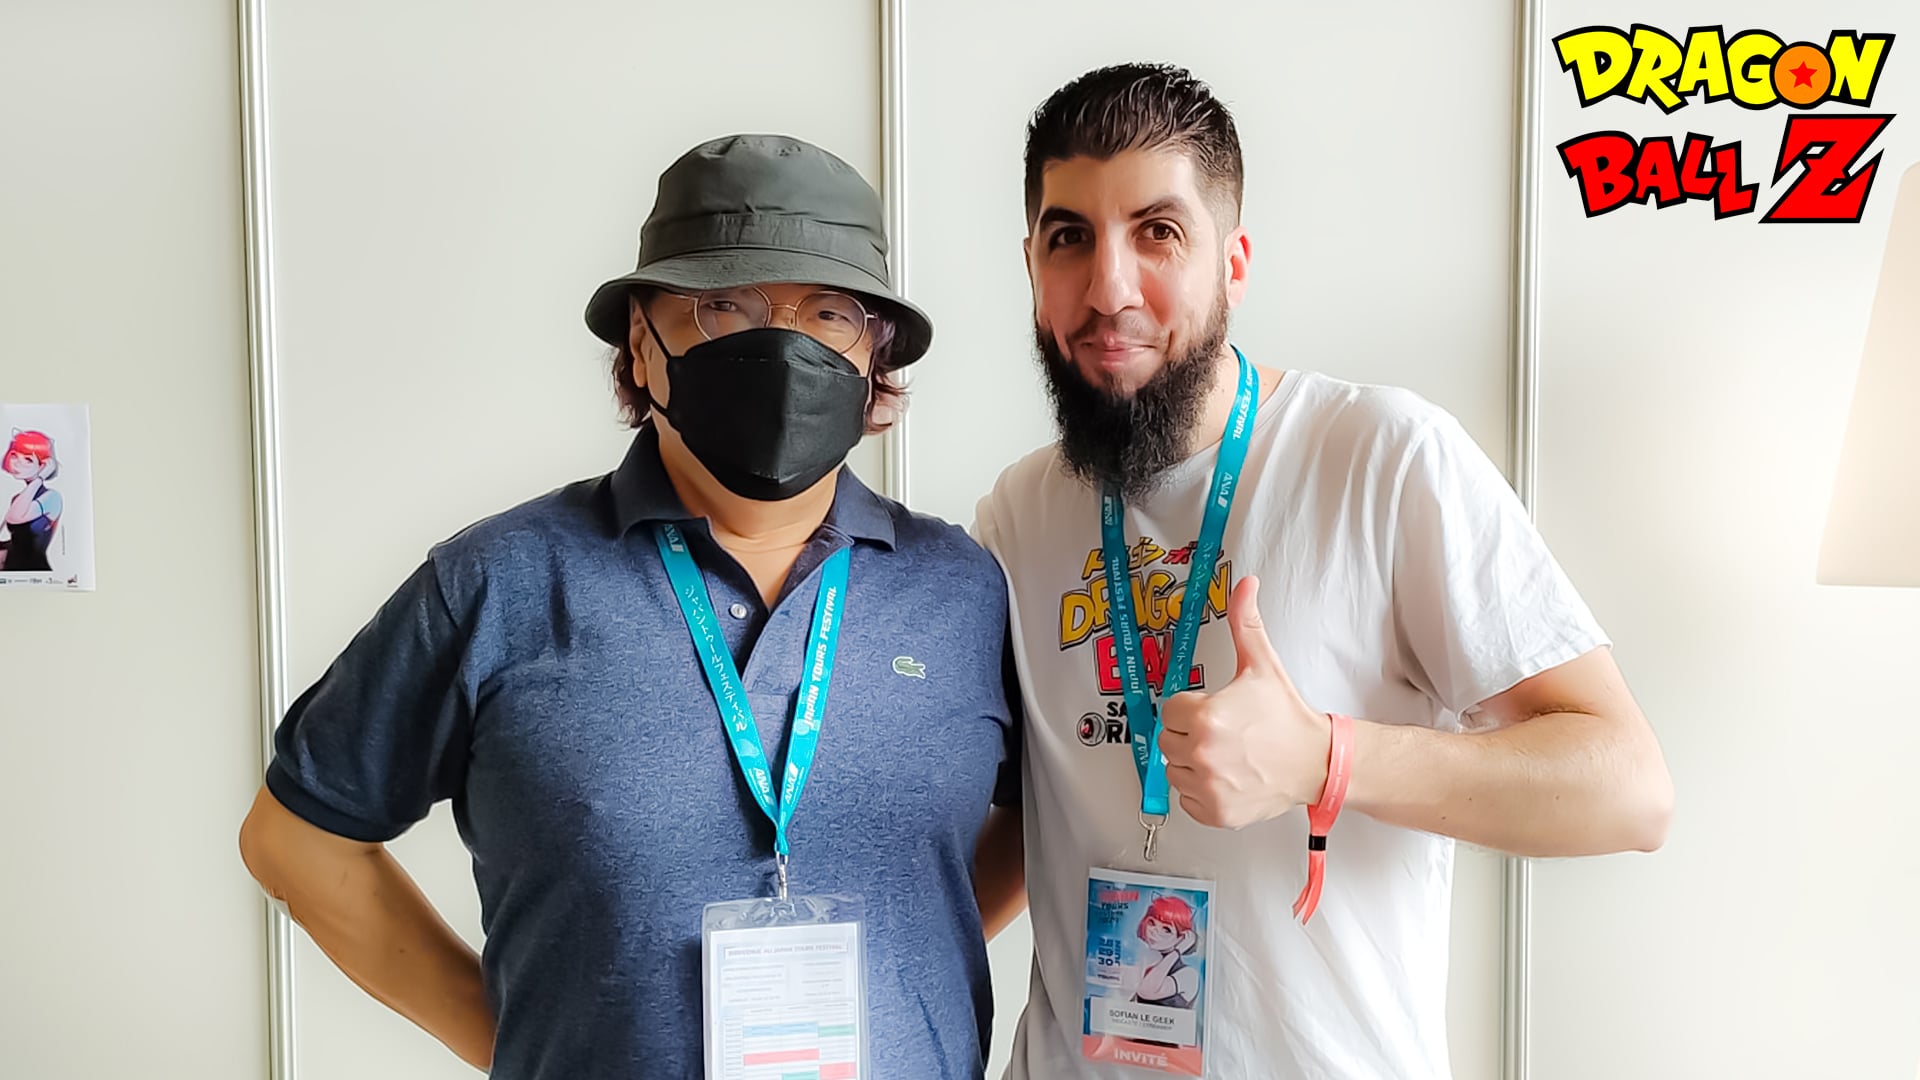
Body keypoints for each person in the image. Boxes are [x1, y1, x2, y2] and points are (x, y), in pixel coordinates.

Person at [239, 134, 1022, 1079]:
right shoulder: (498, 583)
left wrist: (908, 946)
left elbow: (1044, 819)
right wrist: (515, 1041)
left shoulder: (965, 590)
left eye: (830, 313)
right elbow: (297, 839)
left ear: (875, 355)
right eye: (724, 304)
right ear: (641, 345)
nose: (782, 345)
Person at [972, 64, 1674, 1078]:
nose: (1109, 289)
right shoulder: (1018, 512)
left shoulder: (1383, 457)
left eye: (1158, 232)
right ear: (1033, 265)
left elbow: (1629, 788)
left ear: (1234, 264)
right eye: (1069, 237)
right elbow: (1022, 818)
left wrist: (1326, 760)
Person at [2, 429, 63, 573]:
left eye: (28, 460)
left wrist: (40, 478)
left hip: (34, 571)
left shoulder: (52, 497)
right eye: (14, 456)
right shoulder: (18, 498)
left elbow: (15, 517)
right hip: (11, 570)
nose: (17, 464)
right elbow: (18, 541)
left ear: (44, 466)